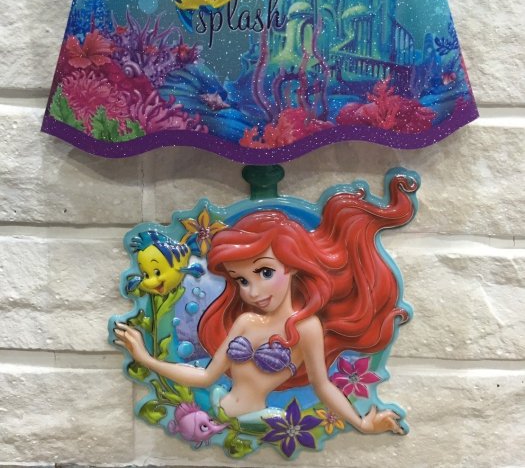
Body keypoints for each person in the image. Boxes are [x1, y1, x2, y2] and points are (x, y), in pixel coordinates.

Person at [115, 172, 417, 435]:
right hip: (218, 408)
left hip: (257, 420)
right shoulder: (245, 321)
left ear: (292, 265)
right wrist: (147, 359)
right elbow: (206, 376)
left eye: (265, 272)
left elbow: (322, 385)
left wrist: (361, 423)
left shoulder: (306, 327)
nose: (252, 291)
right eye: (242, 280)